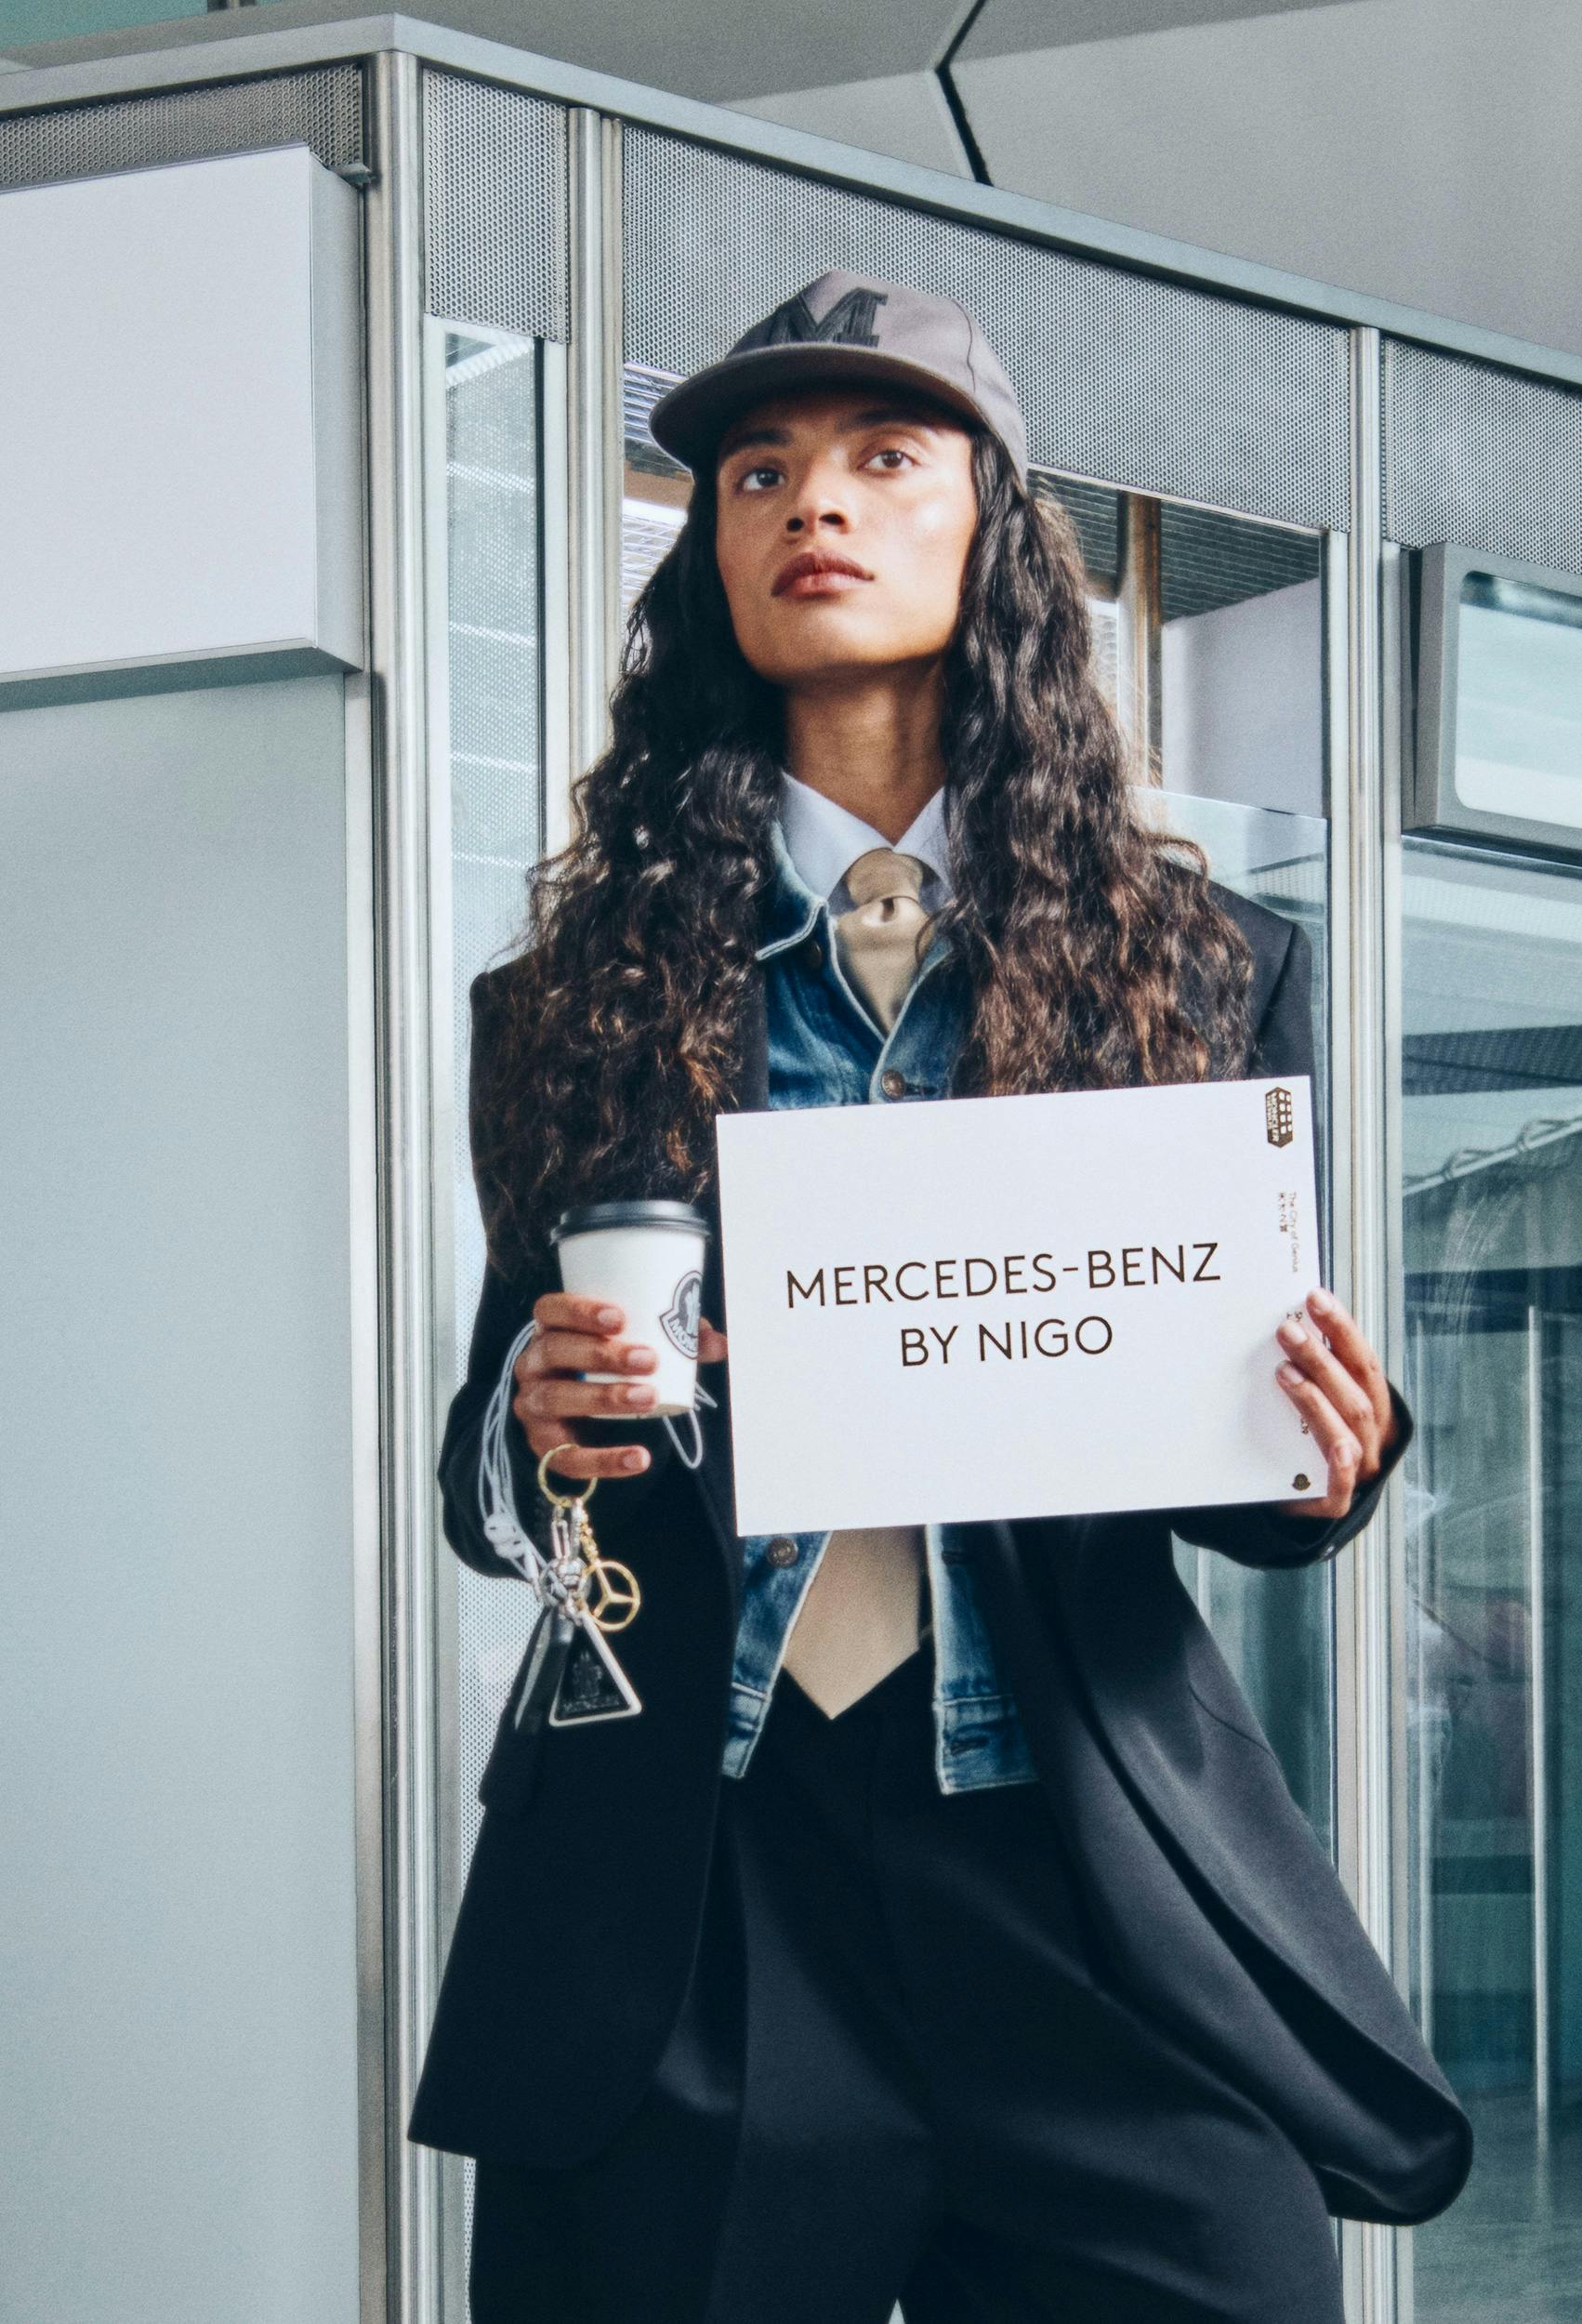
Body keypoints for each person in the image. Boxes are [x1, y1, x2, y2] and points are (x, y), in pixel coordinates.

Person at [410, 271, 1472, 2322]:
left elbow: (1245, 1468)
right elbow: (496, 1464)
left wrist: (1333, 1450)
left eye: (884, 458)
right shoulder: (568, 1002)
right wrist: (538, 1425)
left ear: (994, 531)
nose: (814, 501)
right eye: (757, 471)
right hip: (696, 1890)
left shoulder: (1199, 963)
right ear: (711, 551)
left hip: (1079, 1863)